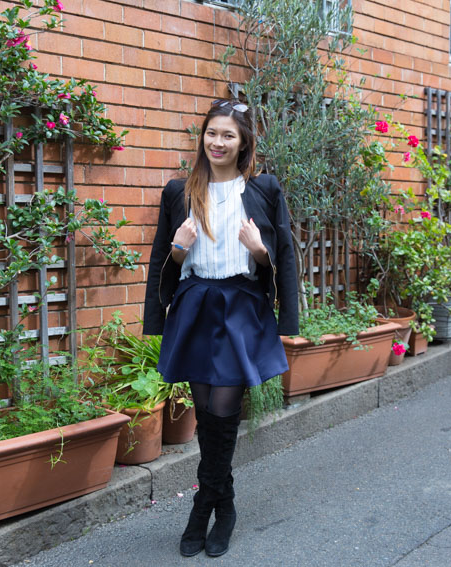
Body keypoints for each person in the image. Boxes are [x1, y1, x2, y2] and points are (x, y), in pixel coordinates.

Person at [143, 99, 299, 557]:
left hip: (242, 307)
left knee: (223, 409)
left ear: (243, 142)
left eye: (228, 135)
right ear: (203, 138)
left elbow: (282, 258)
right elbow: (161, 262)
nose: (218, 142)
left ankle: (203, 507)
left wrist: (258, 250)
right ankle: (222, 502)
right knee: (205, 411)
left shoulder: (264, 189)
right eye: (212, 133)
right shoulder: (179, 192)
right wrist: (178, 247)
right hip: (195, 305)